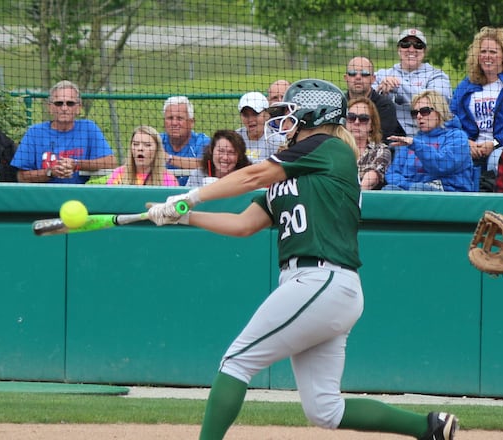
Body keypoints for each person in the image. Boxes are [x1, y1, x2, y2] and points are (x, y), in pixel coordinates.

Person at [146, 79, 458, 440]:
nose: (285, 120)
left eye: (291, 113)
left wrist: (191, 197)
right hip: (321, 288)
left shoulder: (329, 149)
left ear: (314, 114)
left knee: (236, 362)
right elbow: (244, 225)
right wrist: (183, 216)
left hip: (320, 279)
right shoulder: (294, 170)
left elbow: (251, 175)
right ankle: (429, 427)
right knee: (326, 410)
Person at [451, 26, 503, 185]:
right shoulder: (466, 85)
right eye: (483, 52)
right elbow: (451, 119)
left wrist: (495, 143)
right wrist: (465, 142)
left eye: (493, 52)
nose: (487, 56)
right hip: (471, 147)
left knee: (497, 159)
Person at [11, 80, 116, 184]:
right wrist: (50, 172)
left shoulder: (88, 128)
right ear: (50, 108)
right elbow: (22, 177)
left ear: (79, 108)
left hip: (77, 196)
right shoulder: (34, 133)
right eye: (59, 103)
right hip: (42, 196)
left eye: (70, 103)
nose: (64, 108)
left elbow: (110, 162)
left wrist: (76, 164)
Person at [382, 90, 475, 192]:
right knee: (389, 189)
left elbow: (442, 166)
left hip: (450, 194)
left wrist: (416, 145)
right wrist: (408, 186)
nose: (418, 116)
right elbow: (392, 174)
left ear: (439, 111)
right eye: (414, 113)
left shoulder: (457, 137)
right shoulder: (411, 140)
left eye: (424, 111)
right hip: (414, 191)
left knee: (418, 189)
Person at [372, 28, 452, 136]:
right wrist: (382, 93)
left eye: (418, 45)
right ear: (399, 49)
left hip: (425, 137)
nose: (411, 49)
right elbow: (367, 97)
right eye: (405, 44)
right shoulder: (382, 75)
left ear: (424, 51)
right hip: (387, 137)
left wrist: (399, 86)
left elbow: (440, 101)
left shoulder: (437, 75)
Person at [344, 56, 406, 140]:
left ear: (373, 79)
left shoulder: (385, 106)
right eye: (352, 73)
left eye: (364, 74)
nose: (358, 77)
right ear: (346, 78)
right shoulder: (339, 103)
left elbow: (382, 139)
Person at [160, 95, 211, 185]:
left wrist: (168, 158)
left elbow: (205, 164)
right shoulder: (157, 141)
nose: (174, 123)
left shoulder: (202, 141)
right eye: (170, 118)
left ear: (191, 122)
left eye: (180, 118)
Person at [106, 125, 178, 186]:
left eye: (147, 145)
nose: (140, 149)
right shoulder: (118, 174)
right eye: (136, 144)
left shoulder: (169, 179)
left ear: (157, 150)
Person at [346, 97, 391, 190]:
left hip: (364, 199)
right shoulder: (335, 146)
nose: (356, 122)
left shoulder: (381, 150)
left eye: (363, 119)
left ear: (372, 125)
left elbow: (369, 181)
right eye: (351, 117)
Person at [185, 130, 251, 188]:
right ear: (211, 150)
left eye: (231, 152)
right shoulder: (198, 175)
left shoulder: (247, 177)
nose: (225, 157)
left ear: (239, 156)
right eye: (221, 151)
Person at [235, 92, 283, 163]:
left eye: (255, 114)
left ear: (267, 114)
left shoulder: (277, 141)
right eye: (245, 115)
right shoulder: (234, 138)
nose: (250, 119)